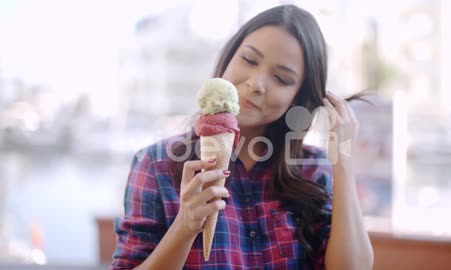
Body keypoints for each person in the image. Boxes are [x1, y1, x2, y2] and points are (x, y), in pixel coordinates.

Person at [111, 4, 373, 270]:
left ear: (298, 97)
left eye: (282, 78)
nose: (256, 83)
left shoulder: (313, 170)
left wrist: (343, 162)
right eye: (249, 60)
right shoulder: (157, 165)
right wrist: (185, 226)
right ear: (228, 58)